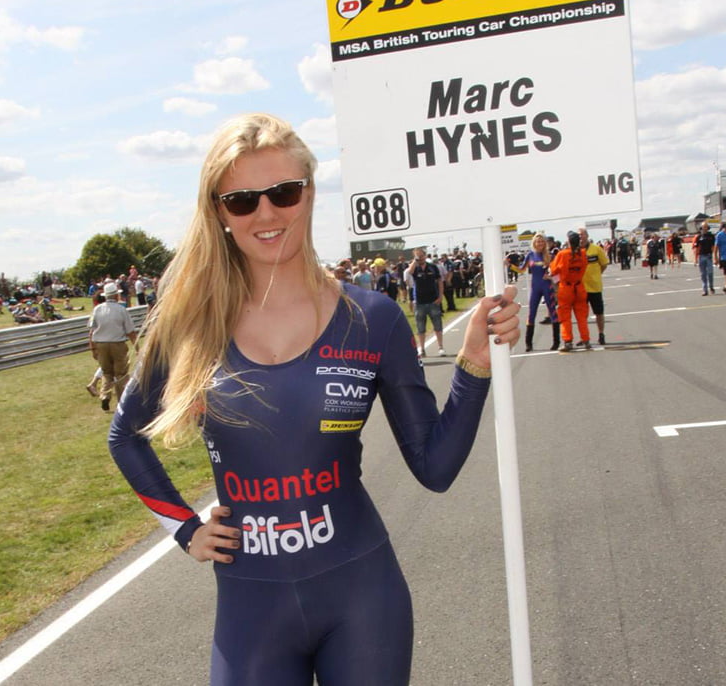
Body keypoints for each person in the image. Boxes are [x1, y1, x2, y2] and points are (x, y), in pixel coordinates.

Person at [107, 113, 519, 686]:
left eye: (283, 192)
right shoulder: (189, 326)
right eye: (243, 201)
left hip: (362, 597)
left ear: (309, 193)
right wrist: (185, 529)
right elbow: (124, 436)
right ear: (220, 214)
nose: (267, 213)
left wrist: (474, 365)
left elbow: (436, 467)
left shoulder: (372, 319)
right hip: (251, 607)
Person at [88, 282, 138, 411]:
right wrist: (137, 347)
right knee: (121, 373)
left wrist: (92, 348)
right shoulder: (121, 309)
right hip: (117, 344)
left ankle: (105, 395)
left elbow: (91, 331)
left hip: (100, 344)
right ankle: (122, 401)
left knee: (106, 372)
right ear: (116, 295)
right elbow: (130, 332)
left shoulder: (97, 309)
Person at [514, 234, 558, 352]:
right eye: (537, 242)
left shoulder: (550, 256)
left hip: (546, 286)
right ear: (534, 243)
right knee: (531, 314)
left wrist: (551, 277)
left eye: (542, 242)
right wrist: (510, 266)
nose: (540, 244)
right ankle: (528, 344)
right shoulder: (530, 255)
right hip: (535, 287)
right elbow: (521, 269)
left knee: (553, 313)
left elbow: (558, 270)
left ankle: (556, 342)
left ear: (545, 243)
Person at [548, 230, 590, 351]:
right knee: (581, 316)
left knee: (565, 316)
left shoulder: (562, 254)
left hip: (566, 288)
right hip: (579, 287)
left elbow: (553, 270)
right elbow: (585, 266)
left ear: (568, 241)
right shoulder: (583, 253)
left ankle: (568, 342)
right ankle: (586, 340)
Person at [408, 247, 446, 356]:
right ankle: (422, 349)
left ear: (425, 256)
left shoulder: (433, 267)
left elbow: (439, 281)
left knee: (437, 324)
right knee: (420, 327)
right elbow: (409, 272)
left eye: (421, 255)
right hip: (420, 302)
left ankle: (440, 346)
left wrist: (440, 296)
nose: (419, 257)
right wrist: (415, 260)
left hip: (433, 300)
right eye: (417, 255)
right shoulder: (415, 268)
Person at [579, 228, 610, 346]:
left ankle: (601, 334)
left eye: (582, 235)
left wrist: (597, 275)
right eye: (579, 235)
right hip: (581, 288)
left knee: (599, 312)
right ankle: (584, 336)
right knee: (582, 315)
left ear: (587, 236)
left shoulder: (596, 249)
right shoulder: (575, 250)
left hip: (594, 287)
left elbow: (604, 264)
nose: (581, 237)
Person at [693, 221, 716, 295]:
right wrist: (695, 259)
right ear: (701, 227)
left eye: (706, 226)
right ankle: (704, 289)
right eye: (703, 227)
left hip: (709, 255)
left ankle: (711, 287)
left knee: (710, 272)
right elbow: (697, 248)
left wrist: (714, 256)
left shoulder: (711, 236)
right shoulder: (699, 237)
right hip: (701, 256)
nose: (704, 228)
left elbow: (713, 247)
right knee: (703, 274)